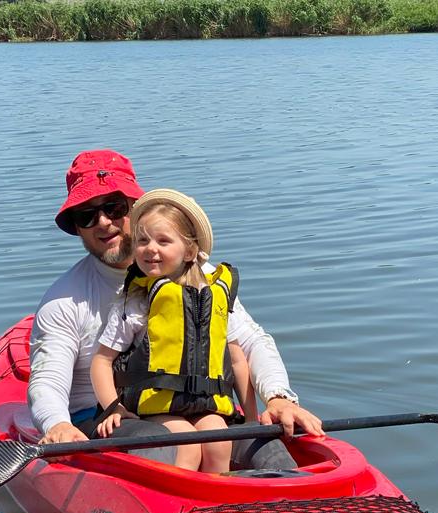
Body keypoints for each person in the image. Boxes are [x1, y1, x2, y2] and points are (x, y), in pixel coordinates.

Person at [28, 149, 322, 468]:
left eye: (113, 208)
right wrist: (57, 423)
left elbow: (250, 344)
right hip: (107, 418)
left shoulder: (204, 280)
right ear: (77, 227)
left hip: (197, 408)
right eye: (86, 215)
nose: (103, 223)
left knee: (269, 452)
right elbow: (47, 378)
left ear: (136, 209)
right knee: (161, 446)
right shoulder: (63, 300)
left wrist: (278, 398)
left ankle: (286, 507)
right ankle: (178, 511)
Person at [90, 189, 258, 472]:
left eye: (163, 241)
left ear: (190, 251)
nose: (150, 248)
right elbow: (102, 361)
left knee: (219, 437)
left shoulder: (213, 297)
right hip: (155, 407)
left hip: (205, 404)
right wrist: (114, 408)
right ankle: (180, 507)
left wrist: (253, 419)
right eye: (142, 240)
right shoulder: (136, 301)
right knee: (187, 442)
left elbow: (238, 360)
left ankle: (219, 504)